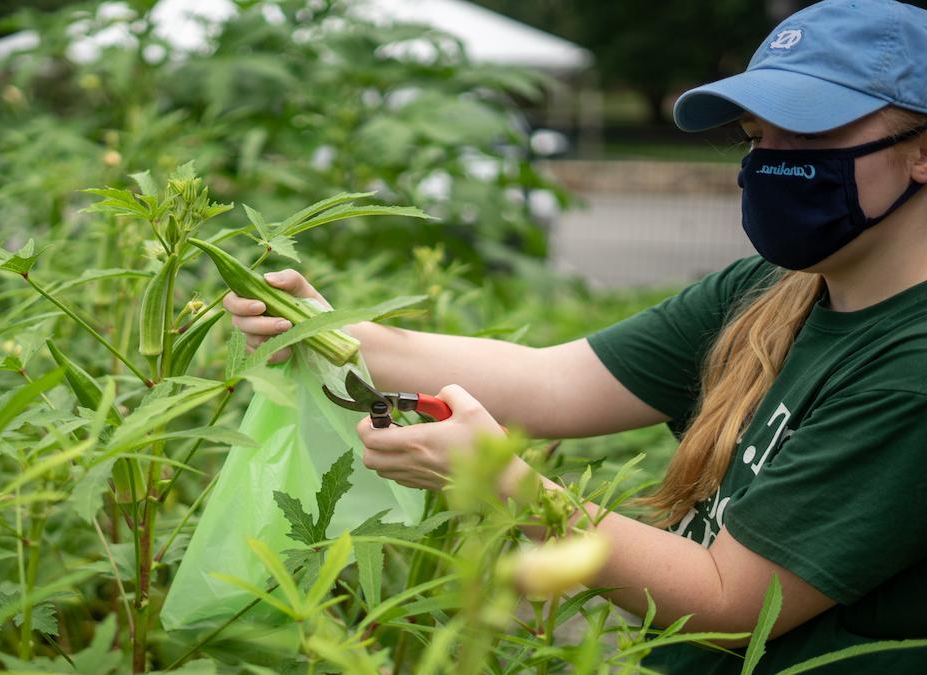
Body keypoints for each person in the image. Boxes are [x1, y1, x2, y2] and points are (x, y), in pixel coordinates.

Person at [224, 0, 927, 671]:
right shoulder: (772, 288)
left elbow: (732, 599)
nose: (769, 162)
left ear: (920, 151)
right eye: (755, 138)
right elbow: (551, 381)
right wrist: (327, 328)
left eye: (807, 136)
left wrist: (508, 487)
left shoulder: (912, 366)